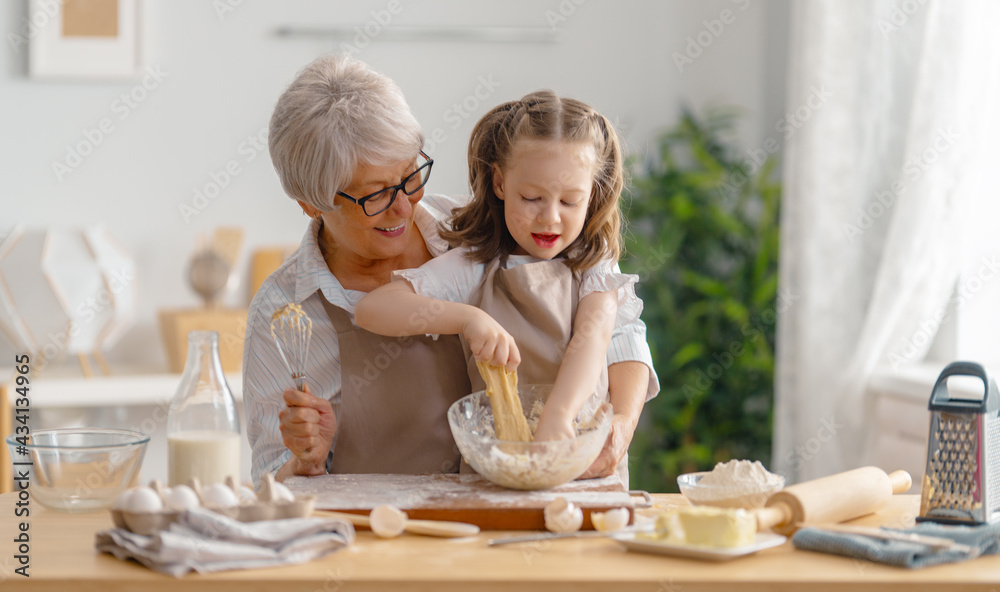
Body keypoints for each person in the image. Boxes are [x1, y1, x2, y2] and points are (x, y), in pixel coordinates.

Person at [244, 54, 658, 488]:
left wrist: (622, 426)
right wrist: (308, 461)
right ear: (311, 203)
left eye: (410, 176)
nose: (405, 206)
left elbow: (617, 327)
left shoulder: (475, 229)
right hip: (388, 536)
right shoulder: (285, 311)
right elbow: (270, 485)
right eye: (376, 195)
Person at [356, 91, 645, 482]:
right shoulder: (475, 266)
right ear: (499, 183)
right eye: (532, 197)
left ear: (592, 195)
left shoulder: (595, 265)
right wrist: (466, 317)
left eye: (570, 201)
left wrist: (558, 416)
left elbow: (591, 342)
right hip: (494, 473)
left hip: (585, 467)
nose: (550, 218)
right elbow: (372, 309)